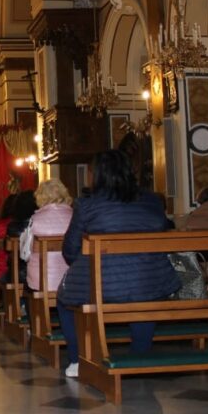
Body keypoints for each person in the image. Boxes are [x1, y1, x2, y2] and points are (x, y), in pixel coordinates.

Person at [58, 150, 180, 378]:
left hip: (103, 283)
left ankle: (76, 359)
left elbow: (70, 250)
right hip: (150, 279)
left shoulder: (86, 204)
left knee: (65, 300)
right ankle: (139, 356)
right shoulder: (153, 201)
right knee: (143, 295)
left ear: (96, 175)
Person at [23, 179, 73, 293]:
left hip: (40, 283)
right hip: (70, 281)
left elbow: (25, 253)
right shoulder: (75, 217)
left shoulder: (35, 219)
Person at [5, 190, 38, 284]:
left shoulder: (12, 226)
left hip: (18, 273)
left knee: (3, 278)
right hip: (40, 271)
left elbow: (7, 249)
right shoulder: (40, 222)